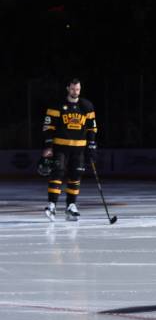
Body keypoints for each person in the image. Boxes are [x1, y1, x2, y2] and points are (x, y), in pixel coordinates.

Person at [42, 78, 97, 221]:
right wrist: (48, 146)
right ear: (68, 88)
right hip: (61, 147)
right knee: (58, 172)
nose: (75, 92)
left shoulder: (87, 106)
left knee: (76, 175)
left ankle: (71, 206)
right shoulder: (57, 105)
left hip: (79, 148)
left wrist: (91, 145)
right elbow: (48, 127)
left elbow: (92, 127)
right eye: (72, 89)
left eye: (77, 89)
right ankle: (52, 205)